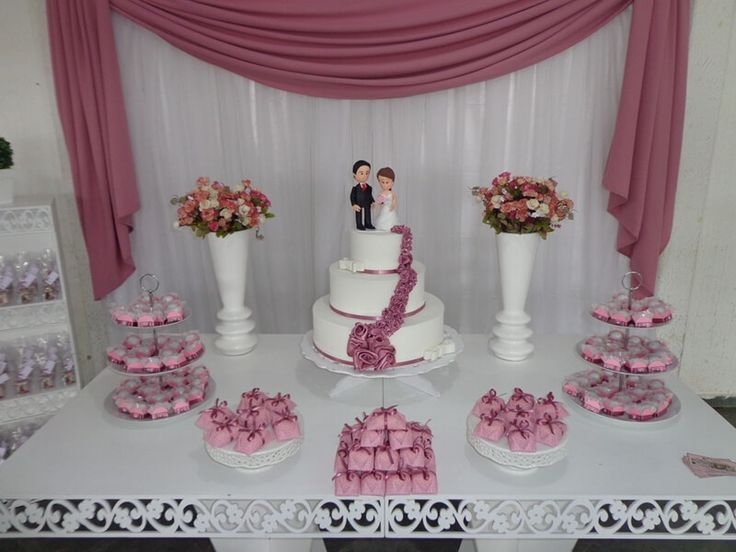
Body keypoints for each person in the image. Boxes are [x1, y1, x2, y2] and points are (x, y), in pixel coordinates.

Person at [349, 160, 375, 230]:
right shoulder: (355, 188)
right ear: (355, 175)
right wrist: (353, 204)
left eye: (367, 173)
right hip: (358, 203)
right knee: (358, 214)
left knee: (368, 213)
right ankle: (359, 224)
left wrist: (372, 201)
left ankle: (368, 223)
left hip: (367, 203)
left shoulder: (369, 187)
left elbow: (370, 195)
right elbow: (352, 197)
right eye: (361, 173)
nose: (365, 176)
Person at [373, 166, 398, 231]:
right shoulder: (382, 193)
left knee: (391, 221)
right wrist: (375, 204)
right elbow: (379, 201)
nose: (384, 184)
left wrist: (393, 205)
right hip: (385, 209)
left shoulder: (392, 193)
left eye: (387, 182)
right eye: (382, 182)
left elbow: (395, 199)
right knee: (382, 219)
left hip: (390, 210)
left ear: (392, 182)